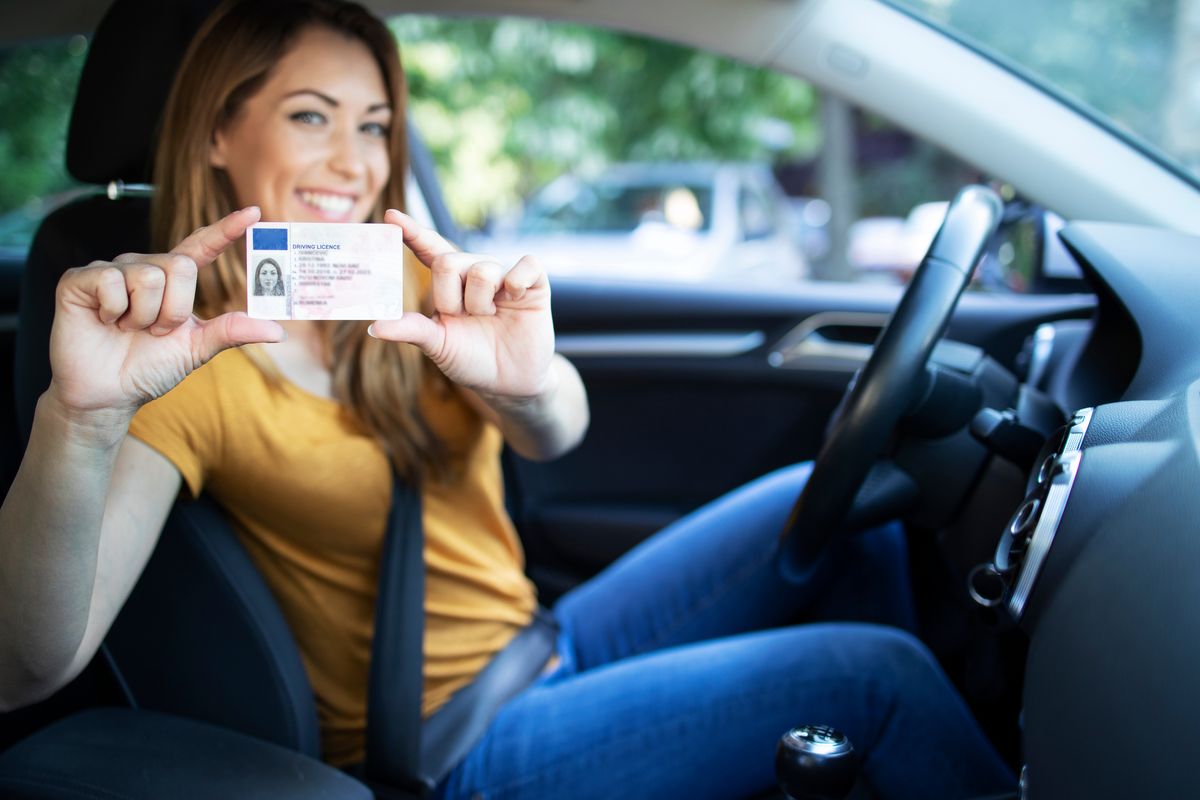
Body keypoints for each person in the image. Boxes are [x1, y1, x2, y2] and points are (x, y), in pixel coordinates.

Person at [0, 1, 1015, 797]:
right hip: (458, 741)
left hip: (541, 638)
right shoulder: (180, 361)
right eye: (311, 116)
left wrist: (527, 381)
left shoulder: (389, 276)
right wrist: (78, 419)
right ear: (218, 132)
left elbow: (556, 429)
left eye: (375, 125)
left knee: (844, 506)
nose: (355, 162)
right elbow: (30, 667)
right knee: (876, 674)